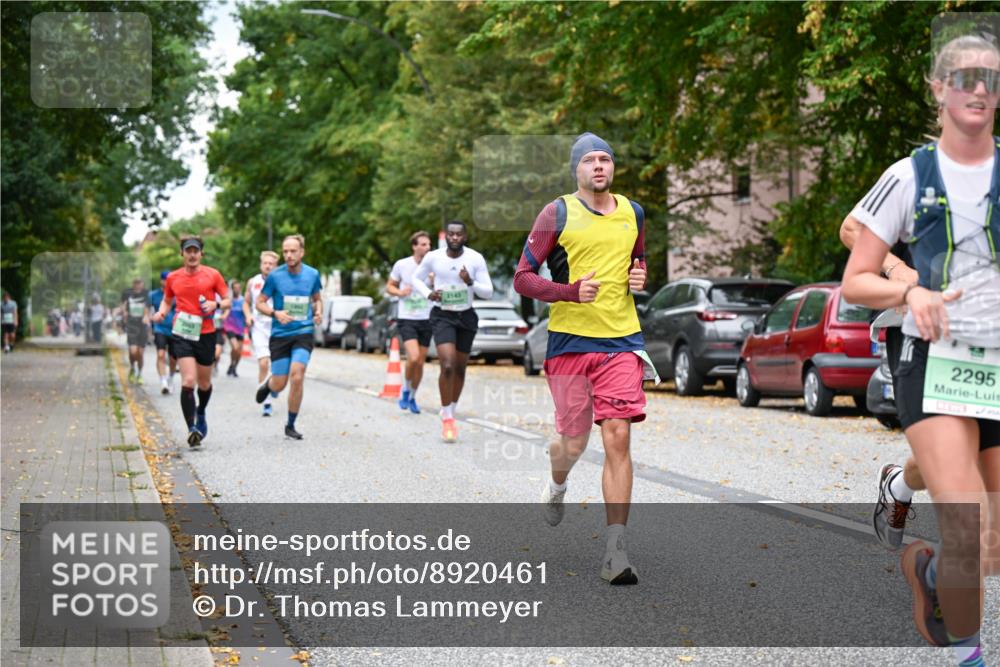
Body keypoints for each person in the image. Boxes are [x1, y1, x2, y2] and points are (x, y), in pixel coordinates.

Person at [842, 34, 999, 664]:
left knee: (989, 544)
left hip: (994, 359)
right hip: (930, 355)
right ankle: (968, 653)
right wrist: (908, 288)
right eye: (964, 77)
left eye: (990, 77)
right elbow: (855, 262)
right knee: (966, 522)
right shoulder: (910, 176)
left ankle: (930, 572)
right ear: (938, 88)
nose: (979, 89)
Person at [513, 132, 654, 586]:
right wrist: (569, 292)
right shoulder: (556, 213)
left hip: (621, 341)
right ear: (576, 168)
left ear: (613, 167)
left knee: (618, 436)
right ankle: (557, 485)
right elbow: (522, 278)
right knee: (572, 443)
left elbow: (637, 262)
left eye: (605, 159)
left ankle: (616, 551)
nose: (598, 166)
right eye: (590, 160)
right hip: (570, 342)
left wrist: (639, 277)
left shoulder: (633, 212)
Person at [840, 217, 929, 548]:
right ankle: (898, 487)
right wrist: (896, 269)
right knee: (939, 450)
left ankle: (898, 487)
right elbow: (852, 229)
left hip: (983, 330)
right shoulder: (911, 184)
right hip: (918, 327)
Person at [412, 221, 494, 442]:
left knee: (459, 368)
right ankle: (447, 417)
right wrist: (429, 294)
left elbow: (488, 292)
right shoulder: (434, 257)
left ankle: (451, 408)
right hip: (443, 315)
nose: (455, 238)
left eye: (459, 234)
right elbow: (416, 278)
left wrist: (470, 282)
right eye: (451, 234)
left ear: (465, 237)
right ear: (446, 236)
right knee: (447, 365)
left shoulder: (475, 258)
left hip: (466, 316)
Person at [152, 236, 229, 447]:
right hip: (182, 332)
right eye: (188, 251)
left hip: (206, 334)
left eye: (196, 251)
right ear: (182, 253)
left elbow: (227, 300)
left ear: (201, 253)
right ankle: (191, 428)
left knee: (204, 384)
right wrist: (161, 313)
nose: (192, 255)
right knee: (188, 381)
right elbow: (167, 301)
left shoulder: (213, 275)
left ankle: (201, 411)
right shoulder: (173, 278)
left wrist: (215, 305)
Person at [254, 235, 323, 440]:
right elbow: (260, 302)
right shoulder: (275, 276)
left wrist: (318, 312)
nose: (289, 255)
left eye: (293, 251)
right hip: (280, 335)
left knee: (297, 375)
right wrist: (275, 313)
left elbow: (317, 299)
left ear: (302, 252)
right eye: (285, 251)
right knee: (280, 383)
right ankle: (269, 385)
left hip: (303, 332)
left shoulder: (312, 274)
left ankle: (290, 424)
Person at [386, 231, 433, 414]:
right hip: (407, 318)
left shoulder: (433, 266)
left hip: (427, 318)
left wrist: (435, 280)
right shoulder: (402, 265)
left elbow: (443, 287)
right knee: (413, 357)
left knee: (420, 362)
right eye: (423, 244)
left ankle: (412, 396)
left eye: (429, 244)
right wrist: (400, 292)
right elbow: (389, 286)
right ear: (414, 246)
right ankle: (405, 389)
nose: (427, 247)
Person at [245, 251, 279, 417]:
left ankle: (273, 385)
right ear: (261, 265)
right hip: (259, 327)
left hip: (277, 327)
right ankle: (266, 402)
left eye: (271, 263)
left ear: (276, 266)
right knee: (264, 363)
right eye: (265, 263)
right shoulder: (253, 282)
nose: (268, 266)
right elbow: (246, 303)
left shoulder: (281, 281)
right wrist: (248, 316)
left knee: (277, 366)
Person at [150, 270, 179, 394]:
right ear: (161, 280)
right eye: (164, 279)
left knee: (173, 359)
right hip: (160, 328)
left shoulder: (177, 294)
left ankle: (171, 378)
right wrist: (148, 319)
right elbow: (147, 309)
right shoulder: (153, 295)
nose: (166, 282)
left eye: (169, 280)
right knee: (161, 354)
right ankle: (163, 382)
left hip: (174, 329)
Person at [121, 278, 150, 384]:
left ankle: (139, 374)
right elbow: (124, 305)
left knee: (140, 353)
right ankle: (132, 368)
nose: (137, 285)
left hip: (142, 325)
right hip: (132, 325)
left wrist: (146, 316)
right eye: (135, 283)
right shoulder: (127, 293)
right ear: (133, 284)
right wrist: (124, 313)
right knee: (133, 351)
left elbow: (147, 306)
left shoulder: (146, 294)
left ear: (143, 284)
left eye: (139, 283)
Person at [224, 279, 246, 377]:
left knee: (239, 351)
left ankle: (233, 367)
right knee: (235, 347)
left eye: (238, 288)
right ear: (232, 289)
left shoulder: (243, 300)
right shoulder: (229, 300)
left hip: (240, 328)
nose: (237, 290)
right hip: (229, 327)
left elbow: (247, 312)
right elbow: (225, 310)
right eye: (235, 288)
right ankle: (232, 365)